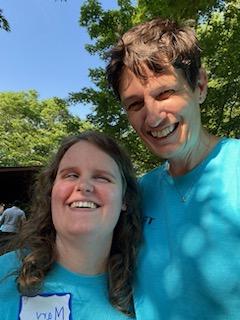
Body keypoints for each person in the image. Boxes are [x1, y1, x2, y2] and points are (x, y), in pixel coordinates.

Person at [107, 18, 240, 320]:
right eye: (135, 104)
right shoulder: (135, 195)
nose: (152, 118)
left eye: (164, 94)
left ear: (200, 86)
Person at [0, 131, 141, 319]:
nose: (84, 186)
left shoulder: (146, 293)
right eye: (71, 175)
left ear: (125, 199)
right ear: (51, 192)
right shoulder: (4, 273)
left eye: (102, 177)